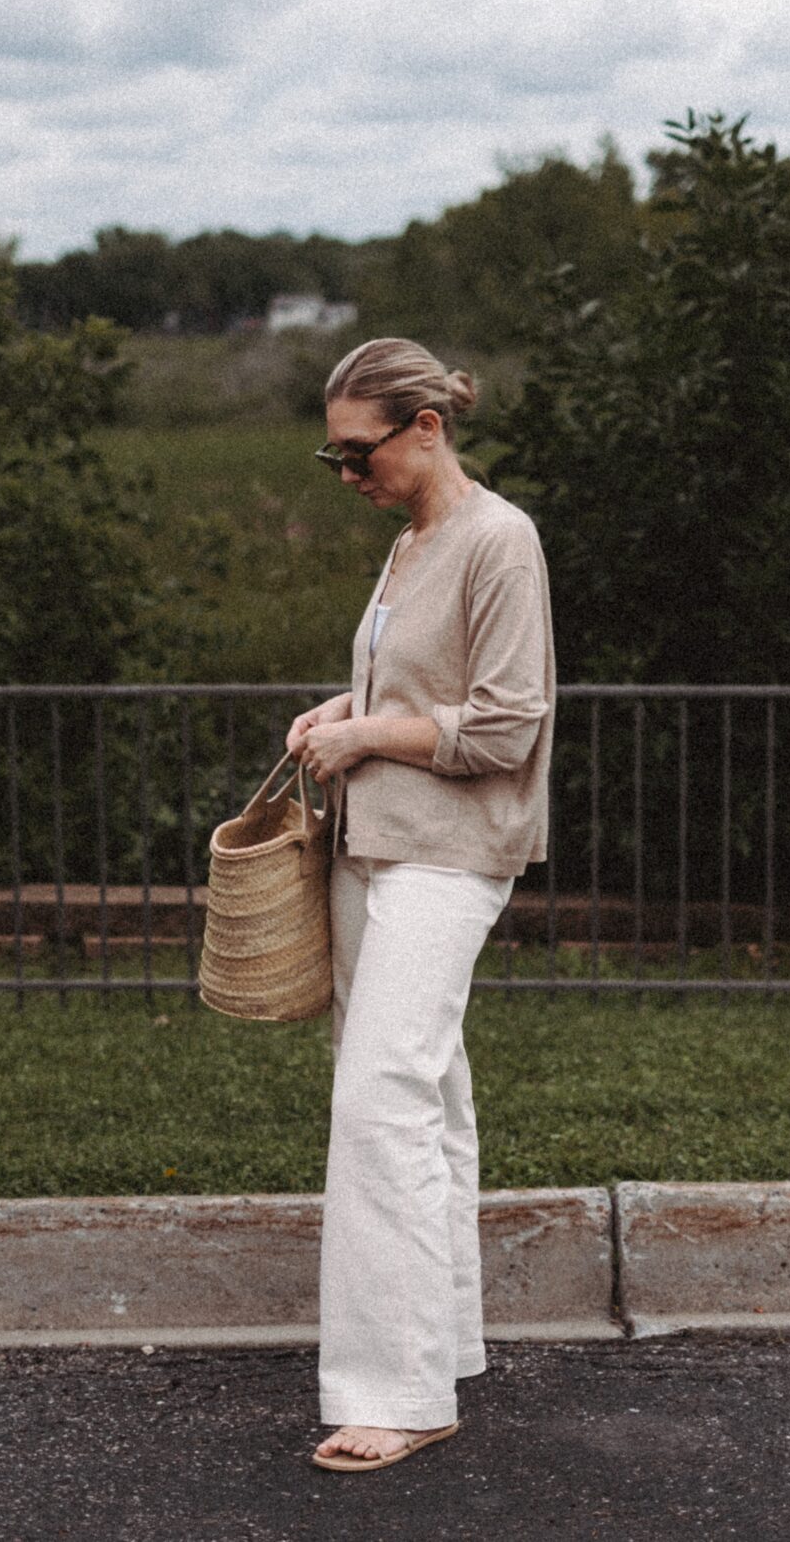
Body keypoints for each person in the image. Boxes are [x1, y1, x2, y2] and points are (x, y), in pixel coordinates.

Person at [284, 336, 556, 1473]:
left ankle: (396, 1390)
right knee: (426, 1094)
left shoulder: (498, 539)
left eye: (361, 453)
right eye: (332, 457)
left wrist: (367, 734)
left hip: (449, 854)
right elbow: (421, 687)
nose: (348, 476)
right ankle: (439, 1347)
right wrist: (342, 707)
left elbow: (504, 723)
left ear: (426, 427)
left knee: (380, 1098)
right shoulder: (411, 545)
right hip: (376, 843)